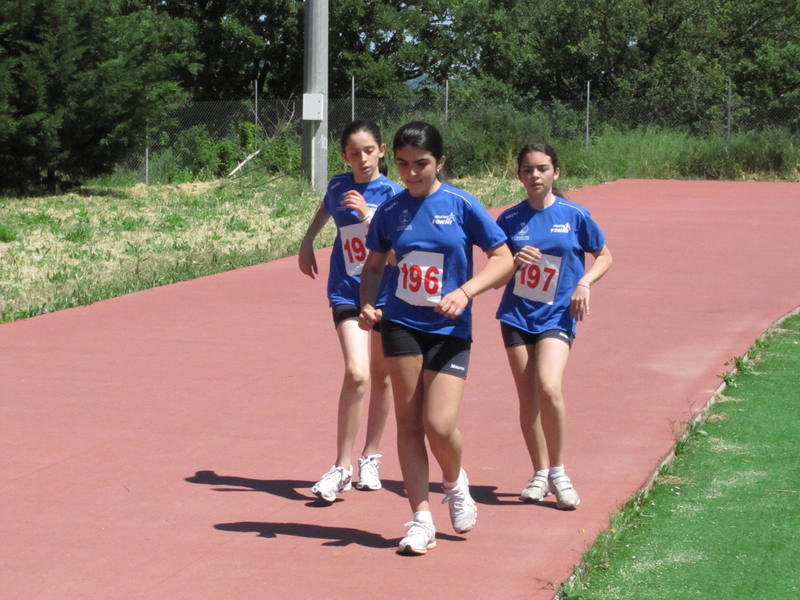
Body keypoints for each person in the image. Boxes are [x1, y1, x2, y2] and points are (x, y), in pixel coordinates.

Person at [359, 121, 514, 555]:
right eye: (404, 164)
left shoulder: (461, 205)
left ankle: (455, 479)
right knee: (409, 423)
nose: (411, 173)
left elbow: (503, 259)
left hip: (450, 329)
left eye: (421, 164)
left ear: (440, 162)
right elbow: (373, 266)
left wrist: (465, 292)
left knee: (439, 424)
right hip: (402, 324)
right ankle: (420, 520)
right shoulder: (390, 210)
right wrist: (368, 304)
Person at [495, 142, 612, 510]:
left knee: (548, 385)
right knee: (528, 396)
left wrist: (584, 282)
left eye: (542, 169)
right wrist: (514, 261)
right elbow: (496, 277)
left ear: (555, 173)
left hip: (557, 315)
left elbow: (605, 256)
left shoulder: (575, 215)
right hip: (516, 316)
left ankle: (560, 473)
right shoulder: (509, 220)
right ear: (519, 176)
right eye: (528, 170)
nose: (535, 176)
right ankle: (539, 473)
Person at [298, 120, 402, 502]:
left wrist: (368, 218)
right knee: (357, 373)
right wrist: (308, 240)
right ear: (344, 155)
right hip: (346, 291)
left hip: (388, 294)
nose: (362, 159)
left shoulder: (394, 195)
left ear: (382, 151)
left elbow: (399, 256)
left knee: (382, 375)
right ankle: (341, 467)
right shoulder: (339, 186)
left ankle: (371, 456)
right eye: (354, 153)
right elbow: (325, 209)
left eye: (368, 151)